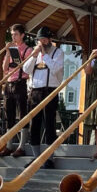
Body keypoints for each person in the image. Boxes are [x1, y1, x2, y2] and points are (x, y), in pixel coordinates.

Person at [21, 27, 65, 168]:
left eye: (44, 39)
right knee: (35, 125)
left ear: (50, 40)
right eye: (40, 40)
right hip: (35, 92)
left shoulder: (58, 53)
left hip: (50, 91)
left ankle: (50, 158)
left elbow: (55, 68)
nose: (41, 42)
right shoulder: (35, 53)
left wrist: (44, 54)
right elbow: (25, 70)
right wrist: (34, 56)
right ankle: (36, 157)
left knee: (50, 125)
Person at [0, 23, 32, 156]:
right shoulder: (11, 49)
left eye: (16, 34)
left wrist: (16, 53)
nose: (13, 37)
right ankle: (9, 145)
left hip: (21, 83)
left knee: (22, 114)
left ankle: (22, 146)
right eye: (12, 34)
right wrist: (8, 53)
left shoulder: (28, 49)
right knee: (9, 115)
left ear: (22, 35)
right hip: (9, 84)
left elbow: (26, 68)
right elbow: (4, 68)